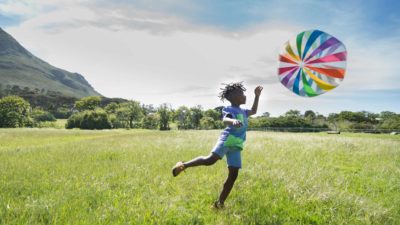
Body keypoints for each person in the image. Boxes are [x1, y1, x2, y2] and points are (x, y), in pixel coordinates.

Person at [172, 82, 263, 208]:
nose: (244, 96)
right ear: (231, 97)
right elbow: (226, 119)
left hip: (236, 145)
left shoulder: (244, 111)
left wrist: (257, 96)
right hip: (227, 140)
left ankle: (219, 204)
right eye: (241, 93)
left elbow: (254, 110)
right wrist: (233, 121)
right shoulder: (229, 109)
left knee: (233, 175)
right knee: (210, 160)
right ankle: (183, 165)